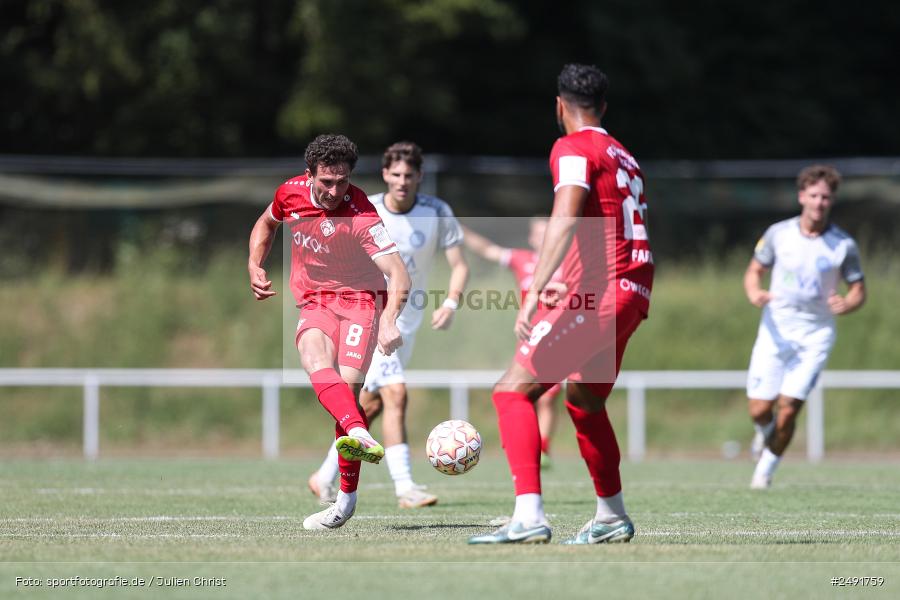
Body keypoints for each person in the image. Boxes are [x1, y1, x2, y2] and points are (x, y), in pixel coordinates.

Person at [468, 64, 653, 545]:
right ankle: (611, 517)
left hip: (604, 293)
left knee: (512, 391)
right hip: (634, 290)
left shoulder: (572, 148)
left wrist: (538, 289)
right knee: (585, 401)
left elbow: (568, 213)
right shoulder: (624, 154)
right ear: (603, 107)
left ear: (559, 105)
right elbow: (606, 224)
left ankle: (528, 517)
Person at [247, 134, 410, 530]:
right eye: (327, 182)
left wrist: (389, 320)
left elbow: (399, 275)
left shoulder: (362, 215)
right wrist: (254, 263)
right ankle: (358, 432)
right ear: (310, 176)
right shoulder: (290, 194)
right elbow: (266, 224)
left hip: (360, 303)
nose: (336, 190)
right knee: (314, 359)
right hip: (315, 301)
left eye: (343, 181)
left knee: (349, 393)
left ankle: (345, 501)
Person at [307, 141, 469, 509]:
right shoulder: (367, 209)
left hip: (404, 328)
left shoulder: (437, 211)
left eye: (409, 175)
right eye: (395, 174)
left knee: (369, 405)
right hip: (369, 319)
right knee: (396, 393)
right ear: (385, 175)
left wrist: (450, 301)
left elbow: (460, 264)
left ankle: (323, 475)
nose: (402, 181)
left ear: (420, 177)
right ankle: (405, 487)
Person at [745, 165, 865, 489]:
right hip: (776, 328)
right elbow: (754, 271)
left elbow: (858, 290)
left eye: (825, 197)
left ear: (832, 200)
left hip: (815, 334)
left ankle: (765, 472)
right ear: (802, 197)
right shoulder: (778, 234)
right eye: (813, 195)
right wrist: (755, 292)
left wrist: (848, 302)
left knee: (789, 408)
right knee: (759, 409)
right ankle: (764, 435)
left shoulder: (843, 245)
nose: (819, 202)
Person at [462, 218, 565, 468]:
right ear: (531, 238)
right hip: (529, 337)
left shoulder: (567, 263)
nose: (542, 238)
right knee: (519, 393)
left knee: (548, 396)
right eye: (538, 233)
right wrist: (457, 229)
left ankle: (543, 449)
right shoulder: (522, 259)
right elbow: (488, 250)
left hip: (562, 337)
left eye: (547, 233)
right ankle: (523, 443)